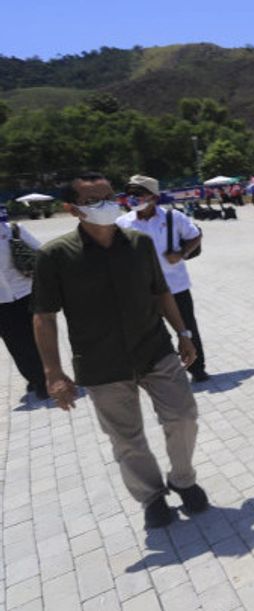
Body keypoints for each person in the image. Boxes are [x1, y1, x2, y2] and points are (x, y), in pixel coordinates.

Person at [33, 172, 207, 530]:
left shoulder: (139, 244)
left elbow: (161, 292)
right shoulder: (56, 255)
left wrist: (184, 334)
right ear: (72, 209)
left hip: (155, 349)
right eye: (94, 200)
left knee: (183, 416)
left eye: (109, 197)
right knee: (126, 439)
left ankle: (183, 478)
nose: (107, 205)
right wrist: (53, 373)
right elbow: (44, 316)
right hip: (101, 363)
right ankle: (152, 496)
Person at [116, 175, 209, 383]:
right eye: (130, 194)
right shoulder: (122, 223)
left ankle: (197, 368)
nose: (133, 198)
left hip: (175, 286)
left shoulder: (173, 217)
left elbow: (195, 235)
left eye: (138, 194)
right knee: (149, 332)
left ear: (154, 196)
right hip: (142, 290)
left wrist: (182, 253)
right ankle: (156, 372)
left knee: (187, 329)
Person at [0, 208, 47, 401]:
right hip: (2, 301)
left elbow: (40, 250)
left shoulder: (12, 229)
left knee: (39, 338)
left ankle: (45, 377)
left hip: (27, 292)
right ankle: (35, 378)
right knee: (17, 344)